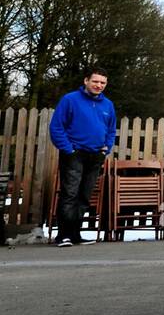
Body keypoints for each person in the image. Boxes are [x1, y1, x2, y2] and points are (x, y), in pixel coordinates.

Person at [48, 66, 117, 246]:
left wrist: (106, 149)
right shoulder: (70, 100)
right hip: (74, 154)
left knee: (84, 196)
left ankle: (75, 235)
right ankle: (63, 235)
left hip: (95, 155)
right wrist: (68, 149)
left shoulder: (108, 105)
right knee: (70, 193)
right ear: (86, 81)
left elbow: (111, 130)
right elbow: (56, 127)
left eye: (102, 82)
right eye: (95, 81)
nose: (98, 85)